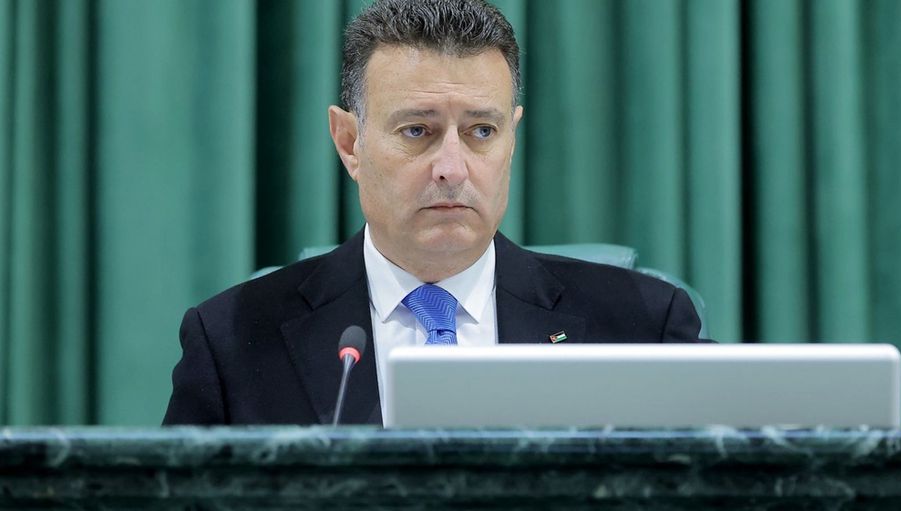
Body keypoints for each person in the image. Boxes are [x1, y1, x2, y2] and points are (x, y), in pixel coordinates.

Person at [163, 0, 704, 426]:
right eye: (417, 130)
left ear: (512, 138)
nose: (451, 168)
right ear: (350, 142)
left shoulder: (642, 326)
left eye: (481, 131)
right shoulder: (232, 340)